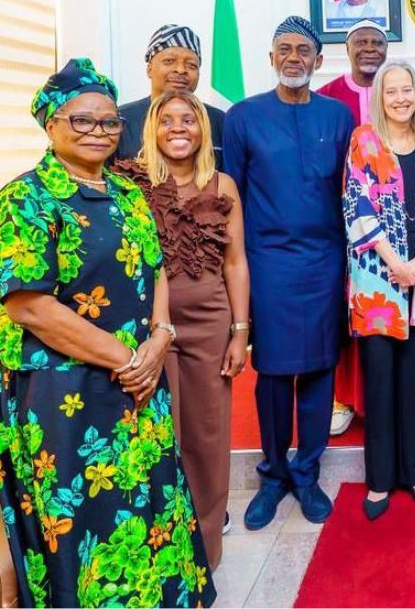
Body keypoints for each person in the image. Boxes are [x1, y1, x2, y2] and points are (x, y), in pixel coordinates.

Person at [0, 58, 216, 606]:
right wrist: (126, 357)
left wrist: (159, 339)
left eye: (109, 122)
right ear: (50, 123)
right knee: (88, 520)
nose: (98, 132)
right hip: (66, 399)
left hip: (139, 382)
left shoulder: (126, 193)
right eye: (81, 120)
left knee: (152, 507)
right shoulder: (25, 199)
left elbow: (155, 268)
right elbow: (29, 305)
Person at [224, 16, 355, 529]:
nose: (294, 57)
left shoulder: (339, 117)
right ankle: (273, 473)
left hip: (325, 261)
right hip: (268, 261)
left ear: (320, 60)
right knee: (274, 373)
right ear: (271, 57)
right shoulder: (243, 117)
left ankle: (307, 471)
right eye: (284, 49)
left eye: (304, 50)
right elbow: (230, 197)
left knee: (321, 368)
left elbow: (351, 191)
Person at [112, 89, 249, 571]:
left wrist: (239, 330)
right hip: (150, 328)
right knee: (156, 435)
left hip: (211, 322)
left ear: (202, 129)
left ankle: (205, 556)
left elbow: (235, 263)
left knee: (207, 439)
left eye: (187, 120)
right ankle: (160, 553)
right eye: (167, 120)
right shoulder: (128, 183)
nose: (178, 129)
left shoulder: (224, 185)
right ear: (152, 127)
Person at [343, 61, 415, 520]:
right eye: (392, 91)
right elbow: (357, 207)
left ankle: (414, 473)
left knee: (410, 382)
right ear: (380, 97)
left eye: (407, 90)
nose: (401, 98)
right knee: (380, 382)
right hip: (376, 283)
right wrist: (396, 264)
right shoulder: (364, 140)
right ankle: (380, 481)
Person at [317, 18, 390, 435]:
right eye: (360, 41)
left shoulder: (398, 93)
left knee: (387, 314)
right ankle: (343, 398)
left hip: (392, 227)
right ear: (347, 48)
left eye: (376, 42)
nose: (368, 48)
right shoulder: (329, 97)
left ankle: (386, 397)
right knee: (344, 314)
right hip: (340, 224)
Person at [115, 24, 227, 167]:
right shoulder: (122, 120)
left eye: (191, 65)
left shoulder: (220, 121)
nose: (180, 70)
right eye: (169, 61)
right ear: (149, 69)